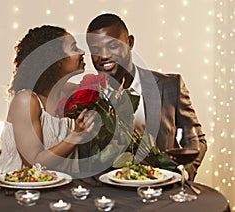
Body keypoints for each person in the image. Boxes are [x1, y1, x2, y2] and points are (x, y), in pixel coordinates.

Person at [84, 13, 207, 181]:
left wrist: (182, 174)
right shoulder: (88, 98)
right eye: (96, 50)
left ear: (130, 43)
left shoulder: (170, 86)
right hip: (112, 193)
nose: (103, 56)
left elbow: (197, 140)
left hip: (163, 191)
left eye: (112, 45)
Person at [0, 25, 95, 175]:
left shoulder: (71, 93)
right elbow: (34, 163)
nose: (82, 52)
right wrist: (76, 136)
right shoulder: (26, 101)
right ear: (57, 60)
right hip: (19, 192)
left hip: (59, 190)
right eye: (74, 48)